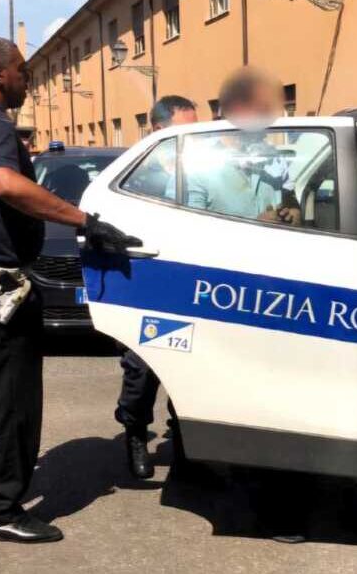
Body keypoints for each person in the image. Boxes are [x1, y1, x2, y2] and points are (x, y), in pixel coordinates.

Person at [0, 35, 139, 544]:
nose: (27, 79)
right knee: (11, 403)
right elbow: (5, 183)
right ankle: (0, 510)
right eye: (21, 70)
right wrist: (84, 220)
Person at [116, 95, 195, 479]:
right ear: (158, 131)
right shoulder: (136, 175)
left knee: (192, 368)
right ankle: (134, 436)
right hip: (146, 287)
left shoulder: (199, 171)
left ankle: (186, 444)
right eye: (184, 130)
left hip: (191, 286)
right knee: (142, 370)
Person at [185, 68, 301, 225]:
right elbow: (189, 228)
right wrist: (255, 224)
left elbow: (293, 205)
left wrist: (290, 216)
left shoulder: (274, 158)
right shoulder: (199, 161)